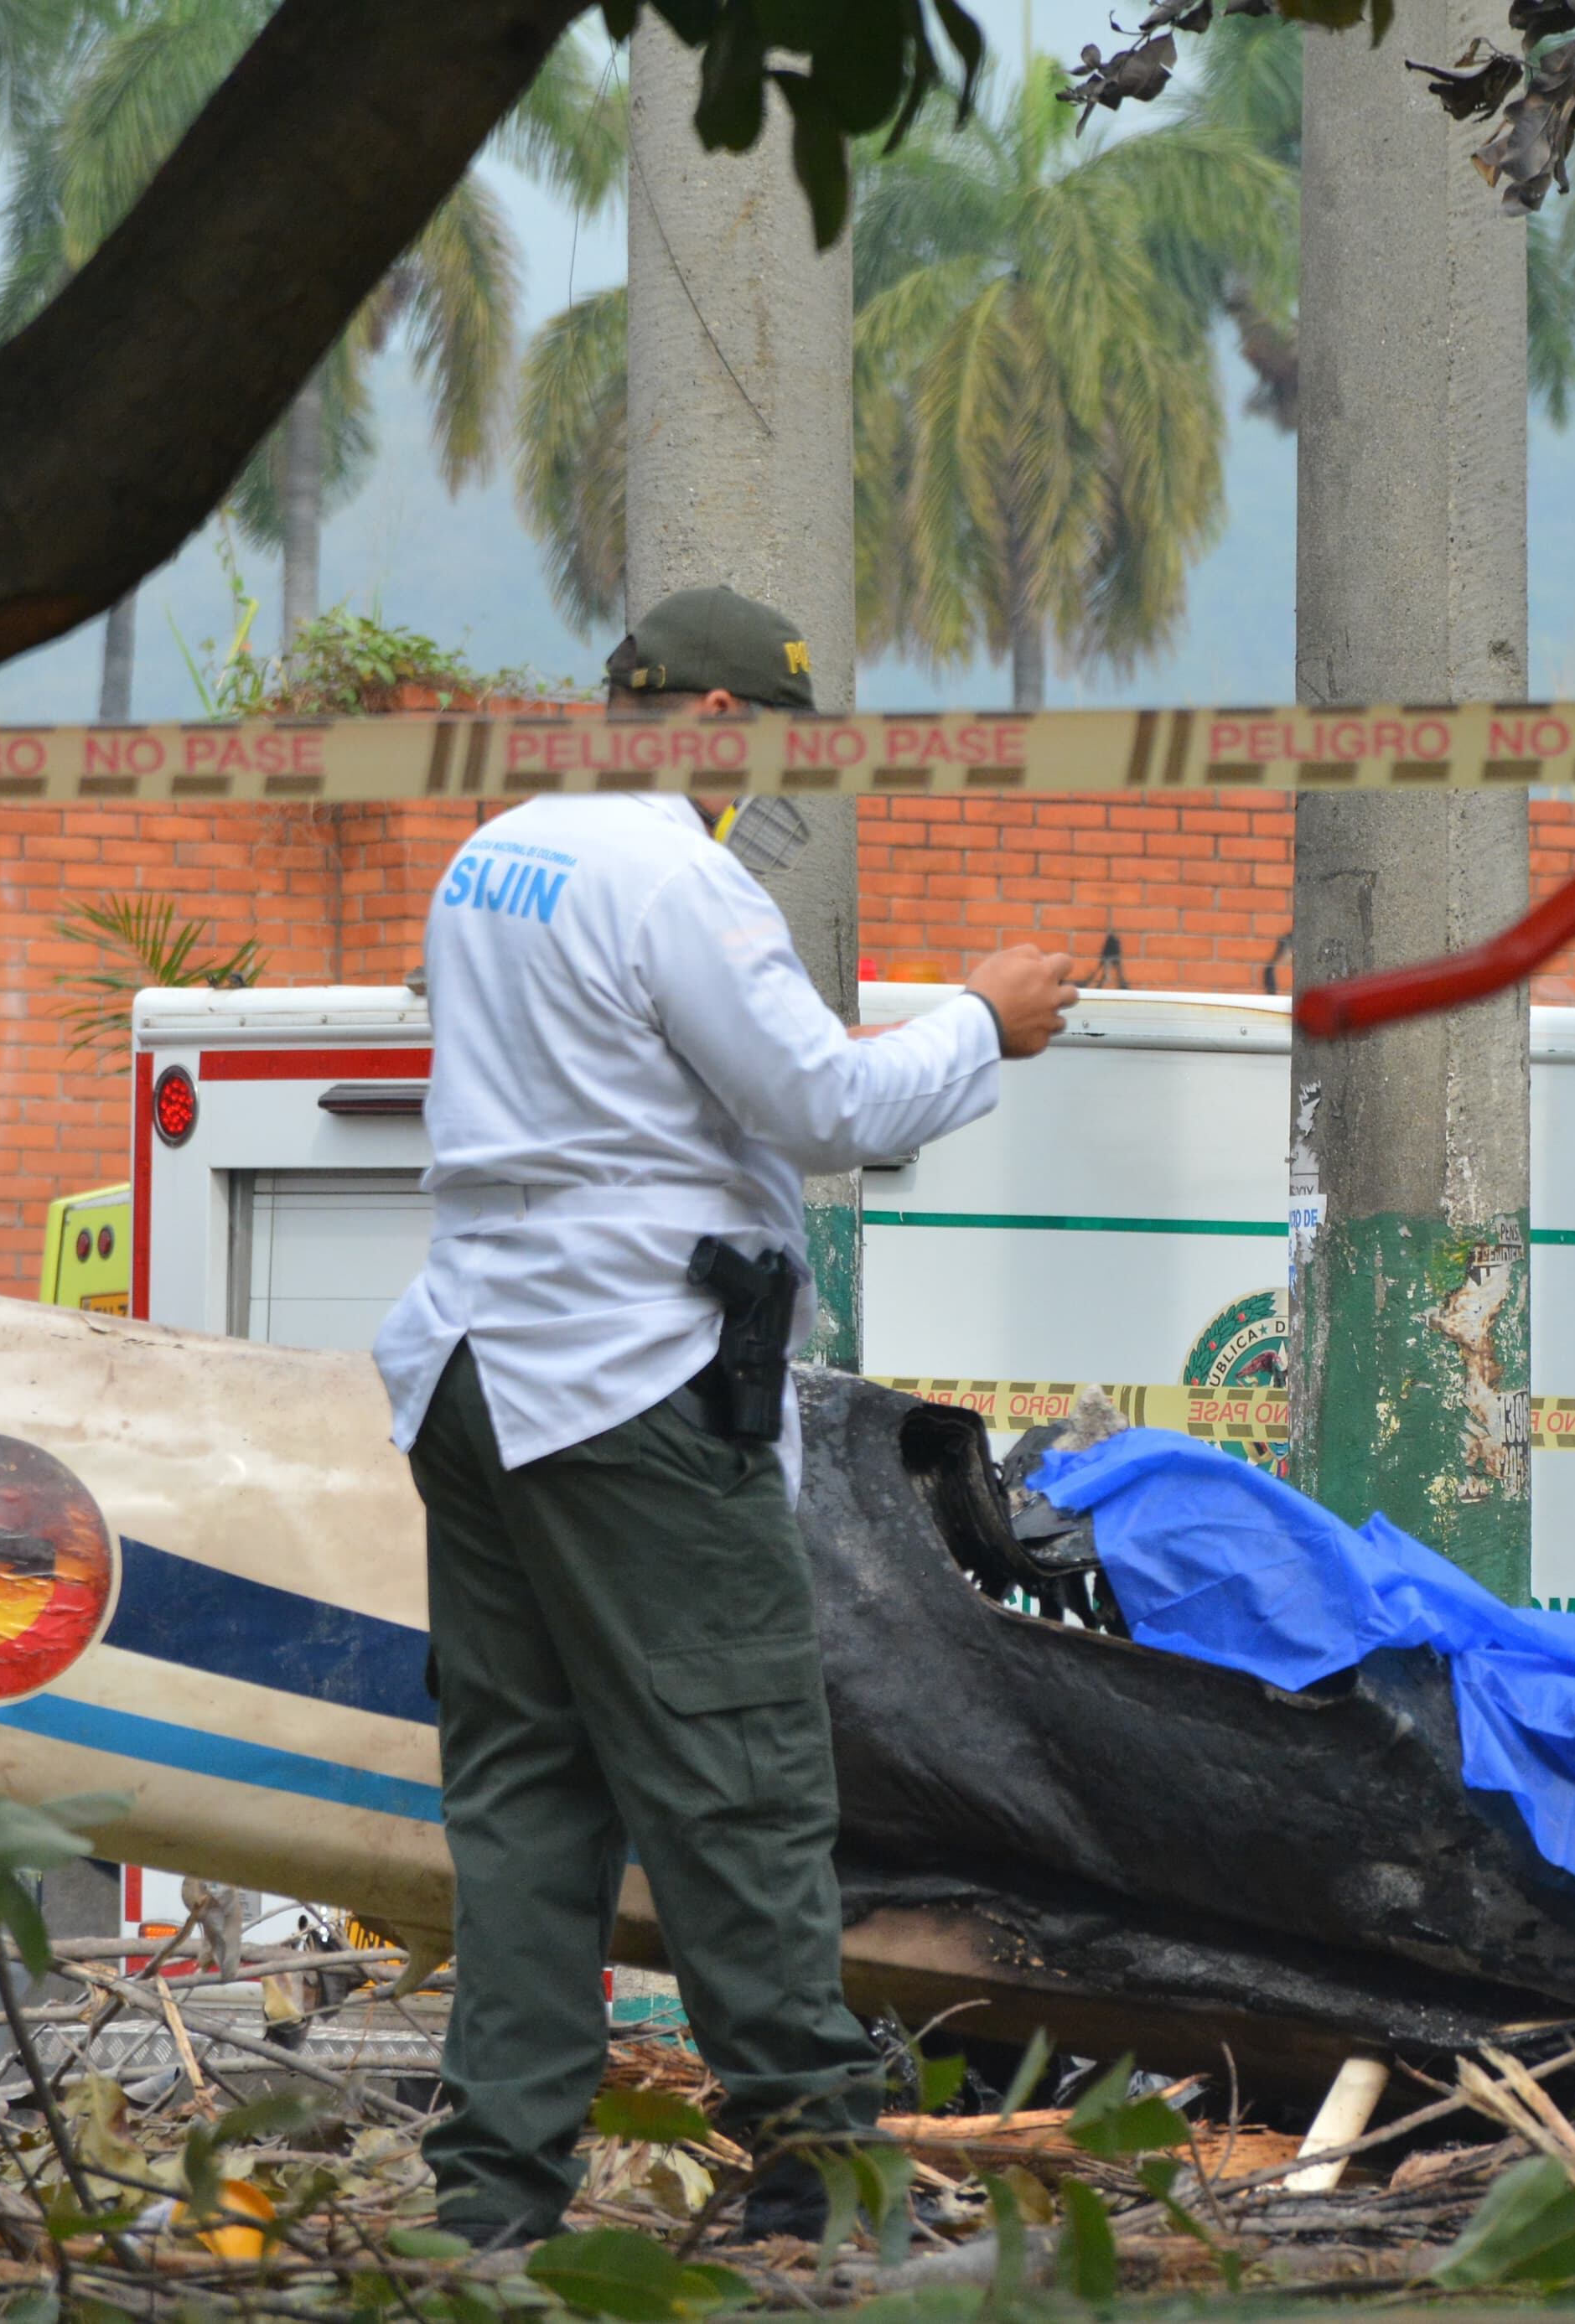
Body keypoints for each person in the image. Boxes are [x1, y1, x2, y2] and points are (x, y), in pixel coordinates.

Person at [371, 584, 1083, 2249]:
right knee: (740, 1778)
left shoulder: (497, 854)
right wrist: (987, 1020)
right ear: (704, 723)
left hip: (474, 1368)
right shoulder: (675, 873)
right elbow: (820, 1101)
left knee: (529, 1797)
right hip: (627, 1381)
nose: (767, 784)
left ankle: (491, 2202)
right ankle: (818, 2177)